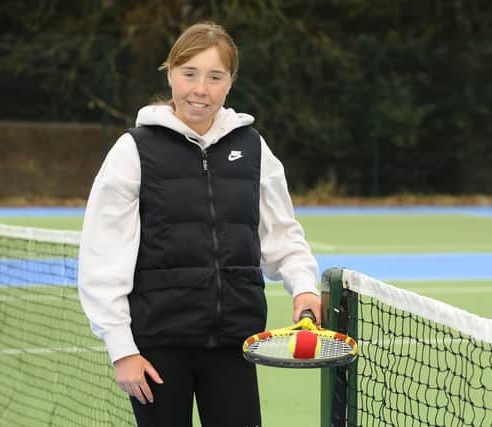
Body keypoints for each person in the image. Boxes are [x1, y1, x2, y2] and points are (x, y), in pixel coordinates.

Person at [78, 21, 320, 427]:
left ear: (230, 82)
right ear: (170, 73)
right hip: (157, 350)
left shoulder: (253, 147)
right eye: (189, 74)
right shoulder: (134, 150)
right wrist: (122, 350)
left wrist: (305, 288)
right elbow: (103, 256)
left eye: (215, 77)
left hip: (233, 345)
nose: (200, 90)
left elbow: (282, 237)